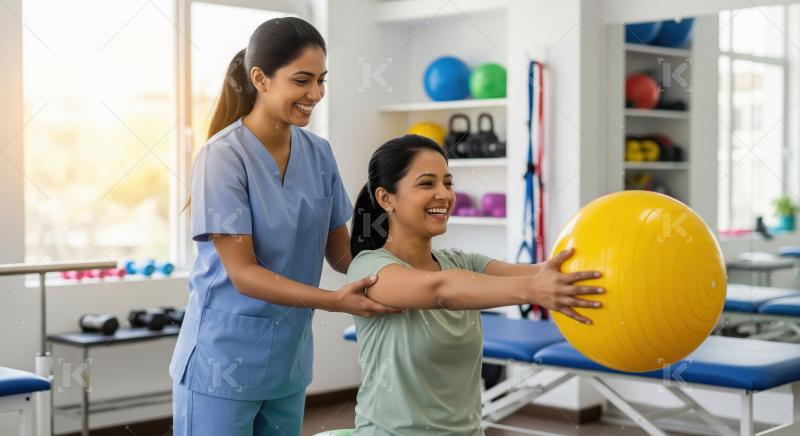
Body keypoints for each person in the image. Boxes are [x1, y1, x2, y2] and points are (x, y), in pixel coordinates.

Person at [169, 17, 400, 436]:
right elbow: (243, 274)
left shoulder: (319, 153)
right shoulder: (222, 156)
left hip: (287, 361)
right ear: (260, 79)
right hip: (222, 361)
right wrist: (335, 302)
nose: (316, 94)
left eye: (321, 80)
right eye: (302, 80)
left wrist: (401, 270)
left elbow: (342, 254)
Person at [346, 134, 603, 435]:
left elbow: (535, 273)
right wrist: (532, 291)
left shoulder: (462, 262)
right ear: (385, 198)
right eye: (427, 183)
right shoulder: (369, 268)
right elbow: (440, 291)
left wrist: (588, 269)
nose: (444, 194)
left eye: (448, 182)